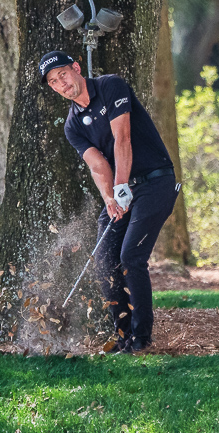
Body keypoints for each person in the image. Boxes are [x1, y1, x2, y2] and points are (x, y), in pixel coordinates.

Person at [39, 50, 179, 353]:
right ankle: (123, 336)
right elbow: (98, 165)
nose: (61, 83)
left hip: (156, 182)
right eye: (54, 82)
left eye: (63, 74)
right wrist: (110, 198)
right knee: (104, 262)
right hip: (122, 190)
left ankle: (141, 338)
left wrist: (121, 185)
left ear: (76, 68)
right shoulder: (73, 125)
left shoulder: (110, 86)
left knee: (131, 257)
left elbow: (122, 138)